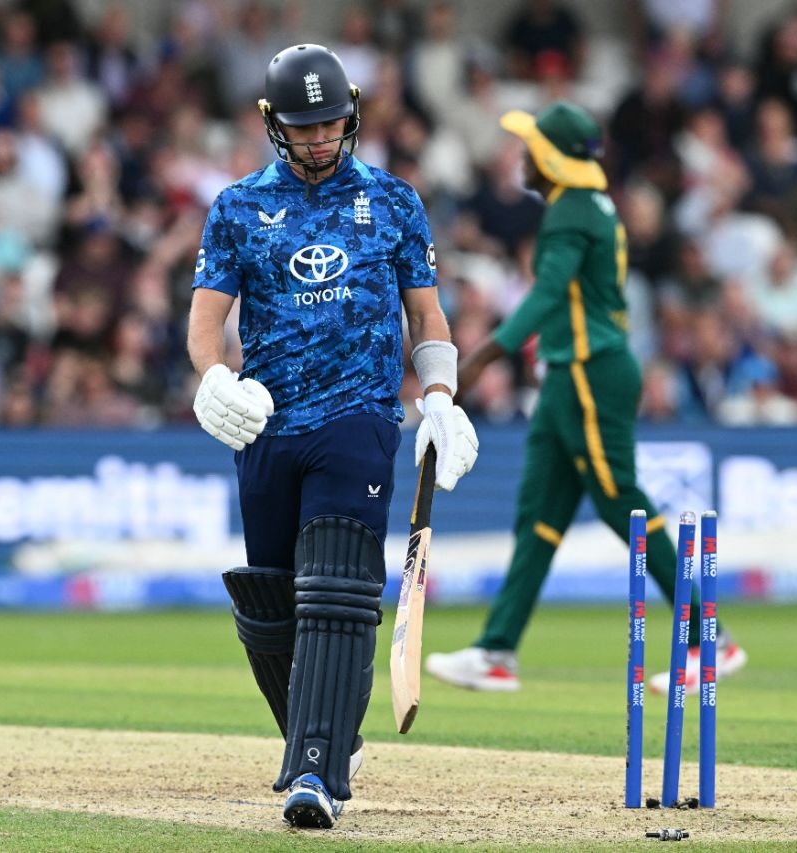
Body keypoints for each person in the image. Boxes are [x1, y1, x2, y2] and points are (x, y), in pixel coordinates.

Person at [187, 44, 478, 830]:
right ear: (271, 124)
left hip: (358, 417)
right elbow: (207, 320)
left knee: (338, 588)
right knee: (272, 598)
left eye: (330, 124)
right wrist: (212, 379)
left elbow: (426, 316)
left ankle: (312, 773)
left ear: (351, 114)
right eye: (302, 127)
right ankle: (327, 737)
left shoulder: (391, 200)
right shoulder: (239, 207)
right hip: (268, 422)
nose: (318, 139)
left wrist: (442, 398)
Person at [424, 101, 747, 696]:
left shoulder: (571, 211)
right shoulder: (583, 204)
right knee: (540, 517)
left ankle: (713, 639)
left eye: (532, 148)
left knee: (619, 499)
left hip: (591, 371)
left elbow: (548, 294)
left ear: (552, 159)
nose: (522, 157)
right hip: (567, 372)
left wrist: (480, 359)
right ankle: (497, 650)